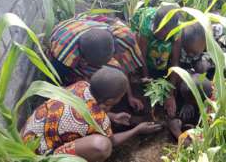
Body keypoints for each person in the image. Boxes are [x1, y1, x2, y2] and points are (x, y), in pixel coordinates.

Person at [21, 67, 162, 162]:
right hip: (35, 156)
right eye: (122, 95)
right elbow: (112, 142)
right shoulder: (100, 121)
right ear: (110, 101)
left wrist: (112, 115)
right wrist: (137, 130)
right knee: (102, 145)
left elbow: (87, 106)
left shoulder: (81, 85)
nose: (122, 97)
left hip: (26, 135)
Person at [49, 14, 146, 111]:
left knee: (114, 68)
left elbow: (120, 66)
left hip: (83, 25)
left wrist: (130, 96)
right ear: (84, 61)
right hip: (63, 34)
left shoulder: (110, 38)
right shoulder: (65, 56)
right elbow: (58, 84)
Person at [131, 5, 206, 118]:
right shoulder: (146, 26)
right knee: (147, 56)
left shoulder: (177, 31)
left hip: (163, 56)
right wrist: (146, 77)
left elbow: (175, 63)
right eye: (159, 31)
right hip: (146, 43)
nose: (161, 34)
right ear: (155, 25)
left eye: (165, 33)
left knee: (164, 50)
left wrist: (170, 95)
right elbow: (142, 56)